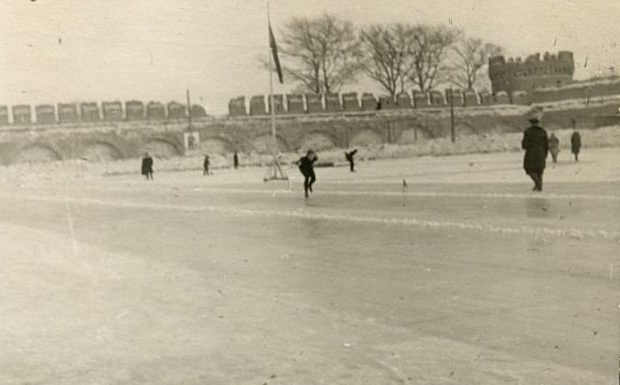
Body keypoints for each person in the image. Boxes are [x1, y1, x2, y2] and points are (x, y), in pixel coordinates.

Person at [521, 117, 549, 191]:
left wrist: (527, 146)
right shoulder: (543, 131)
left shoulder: (528, 131)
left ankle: (538, 184)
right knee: (539, 170)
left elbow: (524, 144)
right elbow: (546, 144)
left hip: (531, 153)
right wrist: (545, 154)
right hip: (541, 152)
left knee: (529, 169)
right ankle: (539, 186)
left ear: (531, 123)